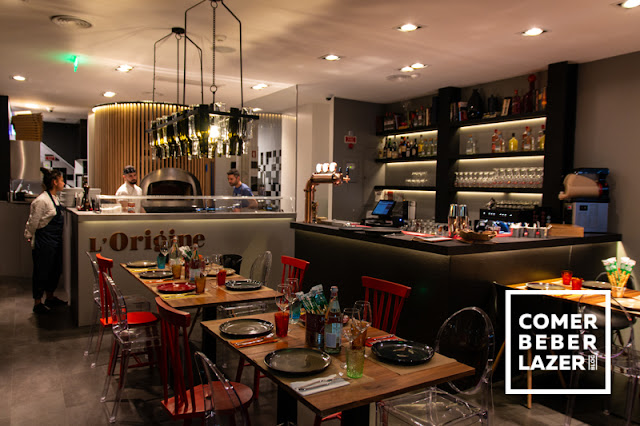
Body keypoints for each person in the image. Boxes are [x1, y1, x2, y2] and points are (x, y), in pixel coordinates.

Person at [24, 167, 67, 314]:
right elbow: (33, 222)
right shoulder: (41, 200)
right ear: (54, 182)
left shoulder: (55, 198)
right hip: (44, 241)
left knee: (55, 270)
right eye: (61, 180)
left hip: (55, 241)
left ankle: (50, 297)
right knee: (41, 271)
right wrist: (28, 236)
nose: (63, 183)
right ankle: (37, 303)